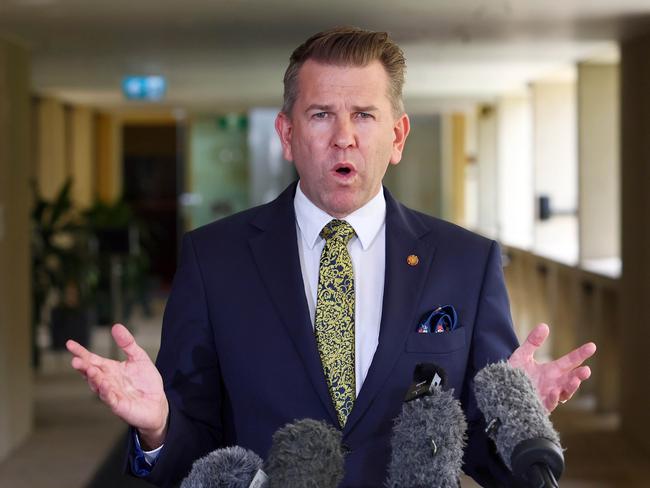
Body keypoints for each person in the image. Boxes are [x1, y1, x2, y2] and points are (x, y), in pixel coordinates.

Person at [67, 27, 596, 487]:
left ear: (397, 136)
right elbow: (197, 458)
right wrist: (159, 425)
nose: (344, 138)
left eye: (364, 115)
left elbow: (480, 455)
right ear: (288, 134)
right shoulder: (213, 259)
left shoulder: (467, 262)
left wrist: (522, 424)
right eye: (321, 115)